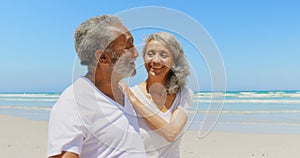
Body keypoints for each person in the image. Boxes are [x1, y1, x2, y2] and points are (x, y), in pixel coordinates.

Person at [47, 15, 146, 158]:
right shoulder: (73, 104)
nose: (136, 53)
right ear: (103, 57)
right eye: (128, 46)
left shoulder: (123, 91)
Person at [123, 32, 193, 157]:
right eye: (150, 54)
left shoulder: (184, 94)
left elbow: (171, 133)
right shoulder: (129, 95)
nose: (155, 60)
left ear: (174, 61)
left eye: (163, 55)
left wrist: (134, 101)